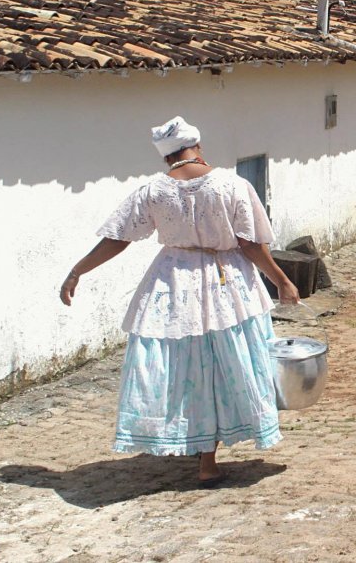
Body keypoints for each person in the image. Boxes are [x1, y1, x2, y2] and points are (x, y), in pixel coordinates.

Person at [60, 116, 300, 487]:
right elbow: (251, 244)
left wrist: (77, 270)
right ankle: (208, 458)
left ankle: (198, 447)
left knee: (189, 368)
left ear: (166, 155)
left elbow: (118, 238)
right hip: (227, 286)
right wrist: (281, 280)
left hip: (173, 284)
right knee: (226, 363)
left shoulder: (153, 191)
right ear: (197, 146)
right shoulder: (232, 185)